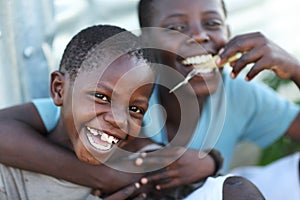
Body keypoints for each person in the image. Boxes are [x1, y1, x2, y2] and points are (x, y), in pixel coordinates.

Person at [0, 0, 299, 198]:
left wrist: (295, 69)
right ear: (146, 44)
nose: (199, 36)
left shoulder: (239, 94)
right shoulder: (119, 83)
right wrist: (104, 176)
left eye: (212, 23)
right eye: (177, 28)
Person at [0, 24, 158, 200]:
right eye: (102, 97)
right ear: (59, 89)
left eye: (134, 109)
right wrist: (103, 176)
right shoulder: (8, 178)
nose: (120, 120)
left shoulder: (138, 185)